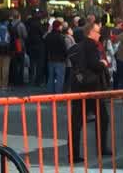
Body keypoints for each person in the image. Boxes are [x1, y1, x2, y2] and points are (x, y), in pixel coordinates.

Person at [66, 19, 113, 163]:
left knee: (76, 122)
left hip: (79, 87)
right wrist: (103, 63)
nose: (100, 35)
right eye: (98, 32)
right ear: (91, 33)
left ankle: (74, 153)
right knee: (102, 118)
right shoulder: (92, 46)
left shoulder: (79, 46)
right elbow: (94, 65)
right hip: (92, 88)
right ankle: (102, 147)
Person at [45, 19, 70, 93]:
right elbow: (64, 49)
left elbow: (46, 46)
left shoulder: (48, 36)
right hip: (60, 60)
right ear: (59, 27)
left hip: (50, 59)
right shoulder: (61, 37)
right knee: (60, 78)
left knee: (51, 77)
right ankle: (58, 94)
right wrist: (66, 56)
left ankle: (50, 92)